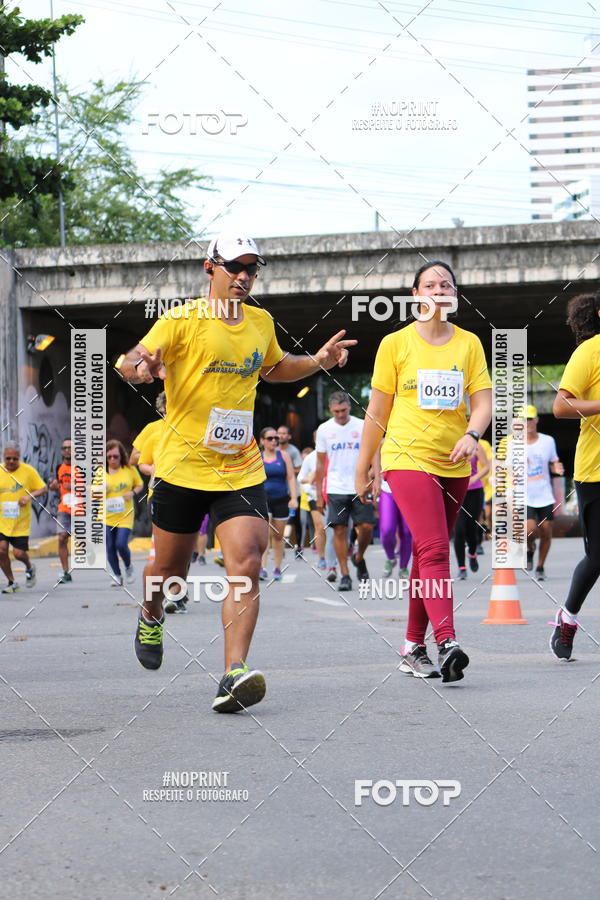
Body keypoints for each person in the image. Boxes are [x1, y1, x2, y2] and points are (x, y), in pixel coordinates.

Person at [117, 231, 354, 712]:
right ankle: (151, 611)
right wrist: (142, 371)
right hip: (182, 469)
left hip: (240, 468)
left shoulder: (260, 322)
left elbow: (275, 368)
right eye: (235, 268)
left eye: (252, 270)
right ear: (211, 268)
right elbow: (130, 362)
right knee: (169, 572)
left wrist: (319, 361)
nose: (244, 277)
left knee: (246, 563)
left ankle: (234, 673)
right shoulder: (182, 319)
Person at [356, 260, 492, 681]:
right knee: (434, 549)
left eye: (445, 284)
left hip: (453, 461)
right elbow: (377, 412)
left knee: (425, 554)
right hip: (406, 457)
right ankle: (447, 640)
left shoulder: (468, 343)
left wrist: (472, 433)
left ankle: (413, 646)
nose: (438, 290)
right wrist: (364, 468)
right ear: (416, 295)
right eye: (429, 284)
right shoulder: (395, 344)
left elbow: (484, 401)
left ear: (454, 295)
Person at [551, 292, 600, 660]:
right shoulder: (589, 352)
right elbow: (561, 405)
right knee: (598, 557)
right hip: (595, 471)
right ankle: (567, 617)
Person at [316, 392, 375, 591]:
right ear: (330, 410)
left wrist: (376, 479)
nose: (340, 414)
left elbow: (374, 452)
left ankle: (358, 557)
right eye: (336, 411)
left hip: (360, 485)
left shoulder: (362, 425)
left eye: (343, 410)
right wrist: (318, 494)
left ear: (350, 407)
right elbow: (320, 464)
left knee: (366, 527)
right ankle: (345, 574)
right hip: (335, 487)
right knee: (339, 530)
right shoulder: (324, 429)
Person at [523, 405, 564, 581]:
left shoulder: (548, 441)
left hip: (544, 494)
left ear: (537, 420)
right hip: (523, 495)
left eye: (530, 419)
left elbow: (554, 461)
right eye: (524, 419)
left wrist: (557, 467)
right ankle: (529, 549)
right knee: (529, 530)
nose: (528, 423)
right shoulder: (511, 443)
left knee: (547, 531)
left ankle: (540, 566)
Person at [95, 441, 143, 587]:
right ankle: (117, 575)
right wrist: (101, 490)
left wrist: (132, 492)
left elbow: (139, 484)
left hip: (125, 515)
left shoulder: (129, 470)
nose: (112, 460)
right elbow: (93, 494)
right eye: (109, 457)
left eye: (115, 456)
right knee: (110, 546)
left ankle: (128, 567)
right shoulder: (100, 472)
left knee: (121, 544)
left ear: (121, 456)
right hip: (106, 516)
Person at [0, 444, 46, 592]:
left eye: (15, 458)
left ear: (19, 458)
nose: (11, 461)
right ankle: (12, 582)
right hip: (2, 520)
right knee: (1, 550)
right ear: (3, 457)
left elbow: (42, 488)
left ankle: (29, 567)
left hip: (21, 521)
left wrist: (28, 496)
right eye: (8, 458)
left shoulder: (28, 471)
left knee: (18, 553)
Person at [259, 426, 298, 581]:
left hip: (282, 499)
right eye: (270, 438)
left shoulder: (284, 456)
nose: (274, 441)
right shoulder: (258, 456)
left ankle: (277, 567)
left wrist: (293, 498)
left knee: (278, 535)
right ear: (262, 441)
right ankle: (262, 568)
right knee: (265, 534)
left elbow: (290, 477)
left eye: (276, 438)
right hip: (264, 499)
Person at [452, 443, 489, 579]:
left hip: (474, 491)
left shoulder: (476, 446)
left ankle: (472, 553)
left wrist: (474, 478)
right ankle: (461, 567)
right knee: (459, 529)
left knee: (471, 528)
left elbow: (486, 467)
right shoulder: (449, 443)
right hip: (456, 491)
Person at [49, 438, 79, 583]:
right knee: (62, 537)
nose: (67, 450)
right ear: (62, 451)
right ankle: (65, 572)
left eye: (70, 448)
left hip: (81, 509)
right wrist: (55, 487)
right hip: (64, 508)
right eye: (65, 448)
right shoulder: (59, 468)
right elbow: (58, 486)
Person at [298, 445, 326, 568]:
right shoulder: (310, 457)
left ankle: (335, 556)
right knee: (320, 526)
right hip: (314, 495)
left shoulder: (336, 453)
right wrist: (311, 480)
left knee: (335, 528)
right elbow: (300, 478)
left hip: (333, 493)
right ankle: (322, 558)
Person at [379, 478, 412, 578]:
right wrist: (375, 480)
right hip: (387, 489)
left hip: (409, 490)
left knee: (407, 531)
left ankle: (403, 567)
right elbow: (373, 463)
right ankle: (391, 558)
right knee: (386, 530)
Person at [129, 392, 166, 467]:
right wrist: (154, 454)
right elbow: (133, 458)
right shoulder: (152, 427)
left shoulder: (188, 427)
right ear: (162, 408)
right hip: (159, 476)